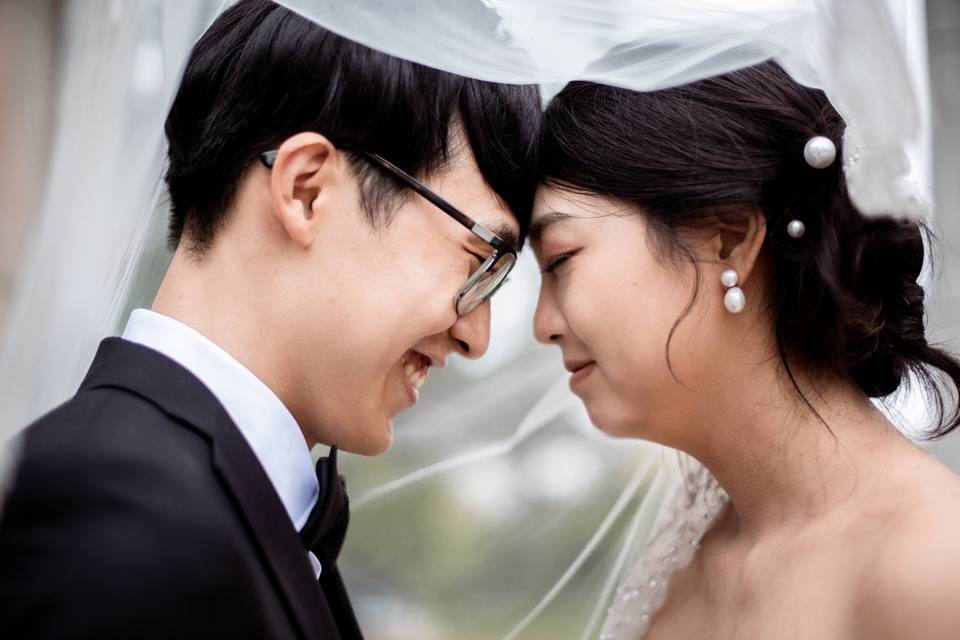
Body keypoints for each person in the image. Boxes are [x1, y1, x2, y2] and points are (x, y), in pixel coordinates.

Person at [0, 0, 540, 638]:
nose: (476, 335)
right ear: (306, 190)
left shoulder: (187, 502)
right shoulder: (112, 527)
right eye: (481, 259)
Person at [531, 62, 960, 640]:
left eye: (559, 260)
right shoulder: (685, 548)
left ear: (730, 238)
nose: (542, 324)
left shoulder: (931, 564)